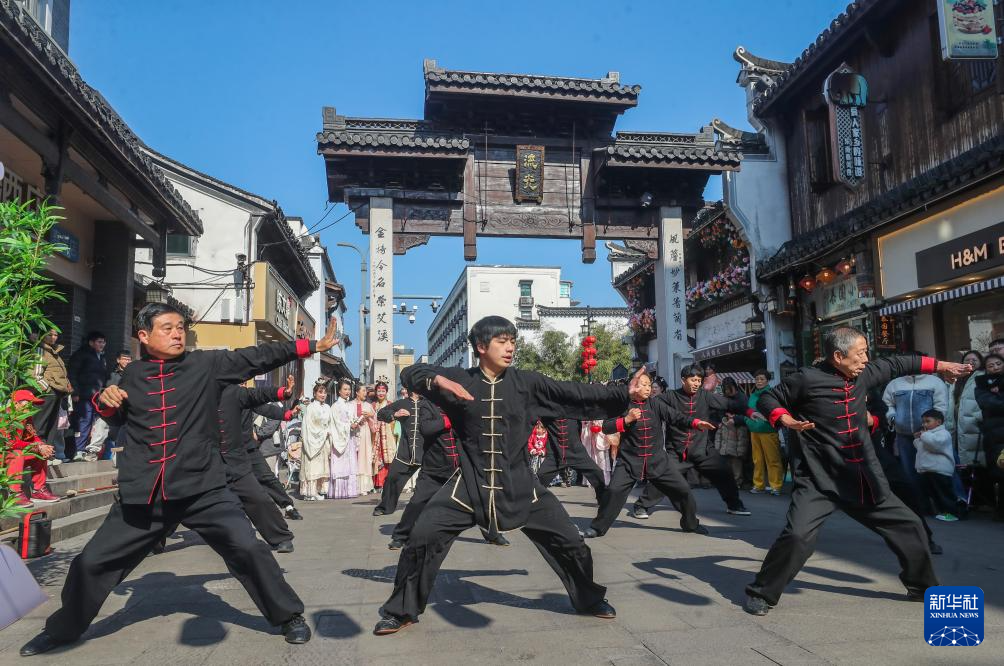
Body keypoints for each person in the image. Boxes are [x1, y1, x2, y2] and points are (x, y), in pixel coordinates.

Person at [18, 304, 342, 656]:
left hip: (203, 487)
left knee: (248, 548)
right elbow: (116, 417)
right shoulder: (132, 374)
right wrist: (105, 400)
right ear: (144, 336)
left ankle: (288, 615)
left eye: (180, 327)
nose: (177, 334)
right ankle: (62, 630)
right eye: (167, 328)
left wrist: (311, 346)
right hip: (145, 492)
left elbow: (256, 356)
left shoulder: (205, 364)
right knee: (91, 562)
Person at [372, 316, 648, 635]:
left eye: (512, 342)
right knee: (421, 538)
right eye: (502, 341)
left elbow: (575, 393)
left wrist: (623, 393)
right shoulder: (460, 379)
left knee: (571, 542)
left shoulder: (528, 384)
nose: (510, 348)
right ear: (481, 346)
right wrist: (438, 381)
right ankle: (401, 611)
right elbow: (410, 373)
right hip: (469, 484)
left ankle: (588, 598)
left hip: (521, 484)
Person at [742, 327, 971, 616]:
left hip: (862, 475)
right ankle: (762, 592)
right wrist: (785, 420)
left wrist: (942, 365)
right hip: (819, 477)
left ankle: (921, 586)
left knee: (910, 525)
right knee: (798, 536)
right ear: (838, 356)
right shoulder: (806, 379)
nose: (865, 359)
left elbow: (899, 363)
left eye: (866, 352)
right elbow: (768, 399)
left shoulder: (865, 374)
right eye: (860, 353)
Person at [582, 373, 715, 538]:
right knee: (614, 491)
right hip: (629, 461)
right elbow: (607, 427)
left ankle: (690, 524)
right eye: (643, 384)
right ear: (633, 385)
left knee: (683, 491)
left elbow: (676, 416)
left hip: (657, 460)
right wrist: (627, 419)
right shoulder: (622, 405)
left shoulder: (655, 404)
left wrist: (696, 423)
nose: (648, 388)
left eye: (649, 385)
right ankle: (597, 528)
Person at [632, 364, 756, 519]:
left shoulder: (705, 396)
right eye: (693, 380)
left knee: (724, 471)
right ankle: (641, 505)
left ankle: (734, 504)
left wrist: (749, 412)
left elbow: (729, 404)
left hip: (702, 449)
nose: (696, 383)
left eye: (699, 380)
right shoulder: (671, 396)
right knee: (662, 477)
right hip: (677, 451)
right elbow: (650, 404)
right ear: (683, 380)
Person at [387, 405, 458, 550]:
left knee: (480, 498)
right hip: (434, 467)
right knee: (417, 503)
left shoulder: (458, 404)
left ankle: (492, 533)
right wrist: (446, 421)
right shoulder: (428, 405)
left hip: (458, 468)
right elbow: (426, 428)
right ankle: (400, 536)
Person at [882, 360, 949, 494]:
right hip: (903, 435)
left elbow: (941, 407)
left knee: (935, 471)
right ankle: (917, 502)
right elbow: (887, 404)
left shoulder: (935, 382)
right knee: (908, 471)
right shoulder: (894, 384)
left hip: (930, 436)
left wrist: (931, 429)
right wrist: (892, 418)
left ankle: (939, 501)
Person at [373, 391, 435, 515]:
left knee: (432, 482)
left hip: (426, 452)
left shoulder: (429, 404)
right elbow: (380, 414)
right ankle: (385, 507)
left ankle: (433, 508)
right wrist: (395, 414)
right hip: (405, 452)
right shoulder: (402, 403)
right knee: (392, 478)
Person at [4, 389, 60, 506]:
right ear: (16, 404)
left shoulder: (26, 417)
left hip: (13, 458)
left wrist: (42, 446)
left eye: (32, 404)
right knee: (17, 453)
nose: (31, 407)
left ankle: (39, 491)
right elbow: (11, 443)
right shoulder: (5, 417)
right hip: (4, 457)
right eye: (28, 403)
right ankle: (15, 494)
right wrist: (36, 447)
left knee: (41, 453)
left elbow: (33, 436)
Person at [537, 418, 608, 501]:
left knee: (597, 473)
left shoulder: (574, 412)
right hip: (555, 454)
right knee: (540, 477)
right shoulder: (548, 414)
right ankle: (532, 502)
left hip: (576, 452)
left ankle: (602, 500)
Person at [66, 331, 109, 462]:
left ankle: (89, 450)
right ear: (91, 342)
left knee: (97, 423)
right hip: (83, 395)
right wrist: (75, 392)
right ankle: (78, 450)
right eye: (99, 342)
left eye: (103, 342)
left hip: (97, 396)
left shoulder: (101, 357)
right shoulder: (81, 355)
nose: (102, 344)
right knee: (83, 422)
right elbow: (72, 373)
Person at [83, 349, 131, 463]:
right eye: (124, 359)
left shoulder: (133, 375)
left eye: (129, 359)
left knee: (121, 434)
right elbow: (104, 390)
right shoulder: (111, 374)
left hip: (126, 409)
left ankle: (117, 457)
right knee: (102, 425)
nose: (127, 361)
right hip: (111, 407)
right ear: (118, 360)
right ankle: (92, 451)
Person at [913, 409, 958, 522]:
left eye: (928, 421)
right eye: (923, 422)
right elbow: (922, 449)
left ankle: (952, 513)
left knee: (943, 494)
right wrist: (917, 439)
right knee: (933, 493)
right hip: (928, 469)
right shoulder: (928, 435)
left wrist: (924, 436)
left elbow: (935, 445)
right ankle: (939, 511)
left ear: (938, 422)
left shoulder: (943, 433)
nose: (924, 424)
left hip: (940, 470)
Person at [32, 329, 72, 455]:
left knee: (51, 427)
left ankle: (47, 455)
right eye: (50, 334)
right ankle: (38, 455)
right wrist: (47, 390)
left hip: (57, 394)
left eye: (56, 335)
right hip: (47, 394)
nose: (54, 337)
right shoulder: (40, 350)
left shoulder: (54, 352)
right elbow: (36, 375)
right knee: (41, 425)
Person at [974, 353, 1004, 520]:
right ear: (985, 369)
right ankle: (1000, 510)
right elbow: (989, 404)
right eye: (990, 365)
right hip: (995, 435)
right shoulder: (982, 385)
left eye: (998, 363)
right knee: (999, 473)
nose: (995, 367)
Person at [744, 370, 783, 495]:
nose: (759, 381)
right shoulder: (753, 395)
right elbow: (747, 410)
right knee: (757, 459)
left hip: (768, 431)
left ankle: (776, 486)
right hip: (754, 431)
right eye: (757, 379)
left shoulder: (772, 393)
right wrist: (748, 422)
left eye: (762, 379)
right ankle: (758, 484)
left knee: (773, 459)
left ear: (767, 380)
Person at [300, 380, 333, 501]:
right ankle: (310, 492)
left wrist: (328, 432)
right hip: (313, 439)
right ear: (314, 393)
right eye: (320, 392)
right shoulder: (310, 407)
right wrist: (324, 432)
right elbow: (308, 426)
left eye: (324, 392)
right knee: (312, 465)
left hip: (323, 441)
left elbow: (330, 423)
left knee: (321, 466)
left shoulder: (328, 407)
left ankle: (319, 490)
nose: (323, 395)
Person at [717, 379, 750, 490]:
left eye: (729, 389)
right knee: (727, 456)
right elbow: (720, 411)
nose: (727, 391)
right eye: (725, 389)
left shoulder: (742, 398)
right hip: (727, 429)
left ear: (734, 387)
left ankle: (739, 480)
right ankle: (731, 480)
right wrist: (724, 419)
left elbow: (747, 414)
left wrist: (735, 418)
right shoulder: (725, 398)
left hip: (739, 430)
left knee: (738, 457)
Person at [328, 379, 358, 499]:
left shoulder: (350, 405)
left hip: (349, 437)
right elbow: (335, 423)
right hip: (340, 438)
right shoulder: (335, 406)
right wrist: (349, 426)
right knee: (340, 463)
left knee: (350, 463)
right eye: (345, 389)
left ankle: (350, 491)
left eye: (349, 389)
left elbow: (353, 419)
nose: (347, 392)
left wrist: (356, 423)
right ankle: (339, 491)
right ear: (339, 391)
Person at [350, 383, 378, 494]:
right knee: (354, 457)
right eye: (363, 391)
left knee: (364, 457)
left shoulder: (368, 405)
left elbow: (375, 420)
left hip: (365, 434)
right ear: (357, 392)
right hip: (353, 434)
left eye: (366, 391)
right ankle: (354, 486)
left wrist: (370, 415)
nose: (365, 393)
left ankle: (364, 487)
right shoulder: (350, 405)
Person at [371, 381, 396, 488]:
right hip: (376, 434)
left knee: (388, 457)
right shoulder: (372, 405)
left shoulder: (391, 404)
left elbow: (394, 420)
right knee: (377, 457)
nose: (381, 393)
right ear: (376, 392)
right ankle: (377, 483)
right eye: (379, 391)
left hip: (388, 434)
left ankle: (387, 482)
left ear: (386, 392)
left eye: (383, 391)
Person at [580, 420, 613, 486]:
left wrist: (598, 423)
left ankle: (605, 479)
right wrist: (587, 422)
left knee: (602, 458)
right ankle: (589, 481)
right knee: (590, 457)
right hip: (589, 435)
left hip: (600, 435)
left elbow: (607, 423)